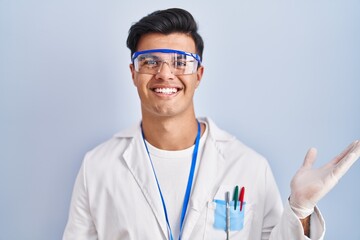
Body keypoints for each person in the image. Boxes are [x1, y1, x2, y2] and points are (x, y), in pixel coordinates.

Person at [63, 8, 360, 240]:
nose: (165, 73)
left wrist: (300, 209)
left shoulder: (248, 166)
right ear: (133, 73)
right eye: (150, 61)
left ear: (199, 75)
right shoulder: (98, 166)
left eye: (181, 62)